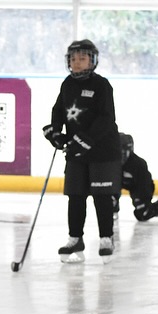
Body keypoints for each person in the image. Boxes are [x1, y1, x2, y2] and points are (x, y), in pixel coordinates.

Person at [42, 39, 122, 262]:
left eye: (82, 58)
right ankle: (75, 238)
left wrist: (84, 139)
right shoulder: (67, 84)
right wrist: (56, 132)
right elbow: (58, 110)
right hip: (77, 151)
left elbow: (106, 118)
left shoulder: (102, 85)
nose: (77, 63)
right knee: (75, 196)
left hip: (103, 151)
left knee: (102, 196)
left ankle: (106, 238)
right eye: (73, 59)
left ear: (93, 60)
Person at [115, 132, 158, 224]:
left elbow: (144, 186)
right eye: (118, 151)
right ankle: (114, 210)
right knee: (108, 197)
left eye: (123, 151)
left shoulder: (139, 165)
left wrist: (141, 202)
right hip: (120, 182)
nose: (121, 155)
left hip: (139, 185)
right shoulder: (110, 162)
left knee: (142, 214)